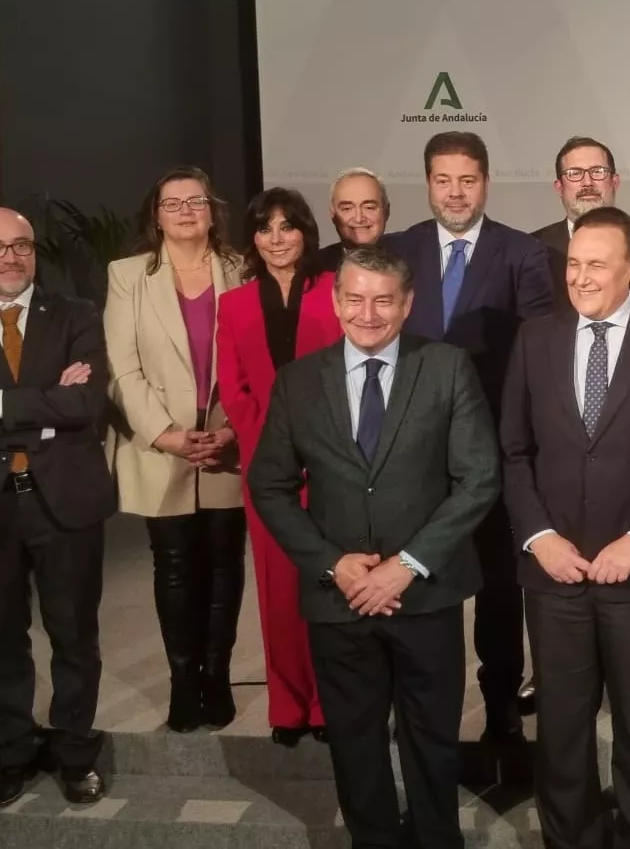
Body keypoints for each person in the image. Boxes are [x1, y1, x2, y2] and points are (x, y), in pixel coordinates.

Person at [247, 244, 501, 849]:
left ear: (407, 303)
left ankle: (438, 839)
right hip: (340, 597)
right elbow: (269, 485)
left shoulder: (446, 367)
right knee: (355, 741)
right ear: (335, 302)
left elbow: (479, 478)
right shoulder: (298, 382)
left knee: (432, 737)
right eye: (355, 298)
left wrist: (406, 566)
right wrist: (333, 564)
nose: (368, 313)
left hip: (425, 592)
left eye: (383, 299)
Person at [501, 206, 630, 849]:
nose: (582, 277)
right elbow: (512, 451)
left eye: (597, 263)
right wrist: (540, 538)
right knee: (562, 729)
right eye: (573, 263)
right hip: (555, 573)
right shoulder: (534, 337)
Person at [0, 206, 114, 808]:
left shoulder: (77, 315)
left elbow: (85, 404)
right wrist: (40, 412)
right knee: (1, 641)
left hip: (64, 502)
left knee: (73, 636)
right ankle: (11, 754)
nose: (10, 257)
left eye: (20, 245)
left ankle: (75, 755)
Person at [386, 131, 556, 745]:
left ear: (486, 182)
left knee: (497, 590)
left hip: (489, 451)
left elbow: (536, 351)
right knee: (419, 586)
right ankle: (424, 719)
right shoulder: (397, 249)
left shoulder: (522, 252)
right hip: (411, 451)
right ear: (427, 182)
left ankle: (503, 713)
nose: (455, 192)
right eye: (443, 180)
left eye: (467, 180)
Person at [104, 167, 246, 733]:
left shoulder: (242, 268)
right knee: (176, 566)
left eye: (197, 201)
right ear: (155, 215)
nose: (186, 210)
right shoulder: (127, 274)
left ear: (213, 210)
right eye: (173, 203)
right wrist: (164, 434)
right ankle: (183, 681)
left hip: (225, 442)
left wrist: (233, 429)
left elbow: (257, 360)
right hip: (160, 444)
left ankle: (218, 674)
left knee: (225, 565)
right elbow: (122, 366)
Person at [214, 187, 342, 746]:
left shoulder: (336, 291)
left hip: (335, 459)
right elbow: (234, 386)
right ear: (253, 239)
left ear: (306, 233)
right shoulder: (235, 303)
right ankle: (288, 706)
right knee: (277, 587)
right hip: (268, 463)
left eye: (287, 226)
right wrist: (267, 445)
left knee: (330, 580)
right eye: (265, 228)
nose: (277, 238)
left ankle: (327, 702)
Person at [530, 136, 630, 309]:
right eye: (574, 173)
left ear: (615, 182)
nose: (587, 182)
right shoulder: (532, 249)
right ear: (559, 187)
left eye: (597, 171)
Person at [318, 167, 390, 273]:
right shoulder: (315, 267)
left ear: (386, 211)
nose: (359, 218)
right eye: (347, 209)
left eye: (369, 207)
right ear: (333, 215)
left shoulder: (411, 261)